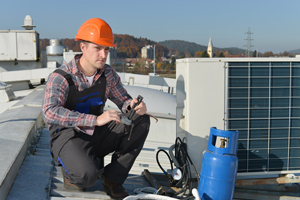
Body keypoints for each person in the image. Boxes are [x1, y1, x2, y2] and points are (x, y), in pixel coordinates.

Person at [42, 18, 150, 199]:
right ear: (83, 47)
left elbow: (123, 99)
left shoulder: (108, 74)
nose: (103, 54)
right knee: (86, 177)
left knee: (140, 120)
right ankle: (72, 170)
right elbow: (49, 111)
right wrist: (94, 120)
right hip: (68, 136)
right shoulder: (61, 77)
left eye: (106, 49)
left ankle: (113, 179)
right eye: (98, 48)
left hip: (97, 133)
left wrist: (133, 106)